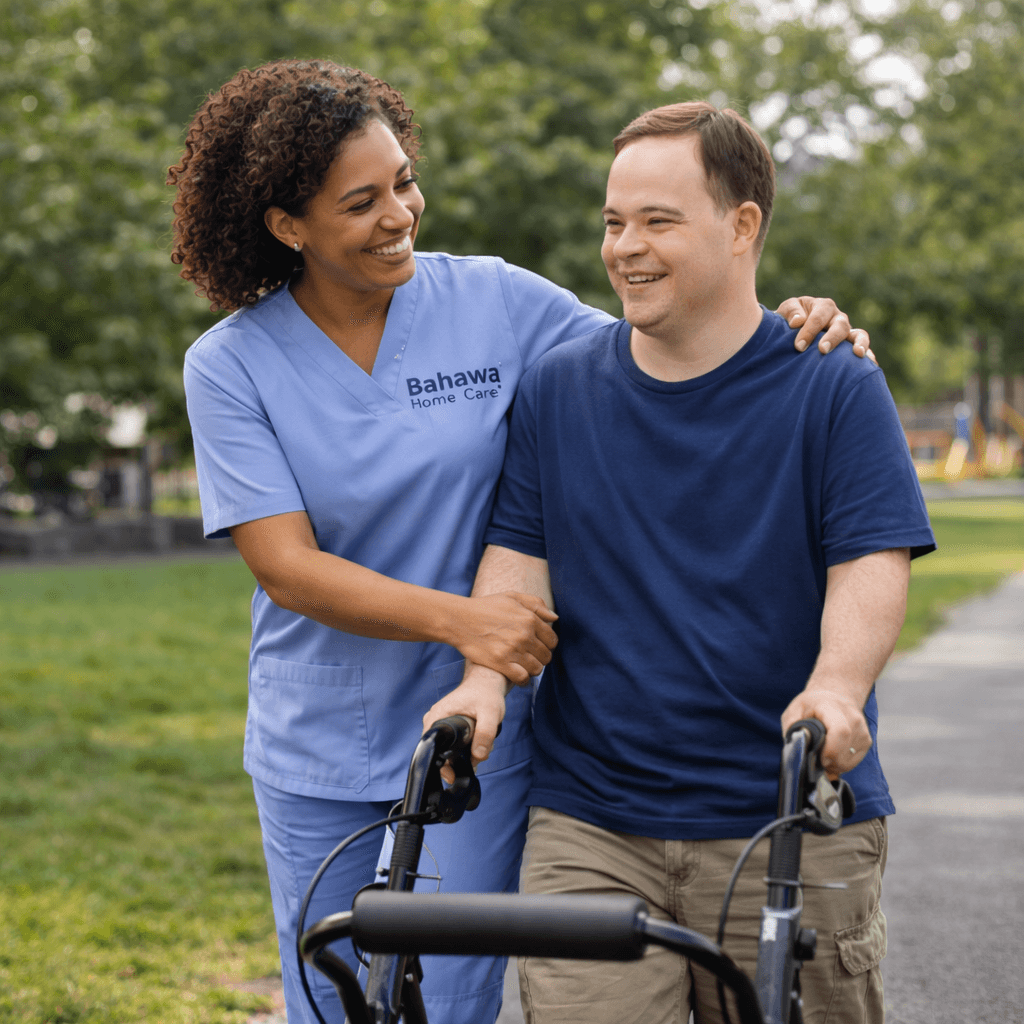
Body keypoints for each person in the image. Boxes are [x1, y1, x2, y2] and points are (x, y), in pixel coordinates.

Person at [171, 59, 872, 1024]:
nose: (400, 214)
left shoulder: (495, 302)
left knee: (448, 994)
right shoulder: (229, 366)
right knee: (332, 1000)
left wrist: (799, 322)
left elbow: (667, 342)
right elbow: (285, 567)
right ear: (289, 226)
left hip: (480, 733)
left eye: (406, 182)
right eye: (362, 202)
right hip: (318, 738)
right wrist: (473, 624)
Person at [426, 101, 935, 1024]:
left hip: (788, 813)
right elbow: (519, 560)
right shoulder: (559, 388)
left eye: (659, 220)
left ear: (742, 227)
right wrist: (482, 686)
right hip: (592, 822)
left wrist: (837, 687)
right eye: (615, 222)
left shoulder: (832, 382)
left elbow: (872, 558)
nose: (627, 247)